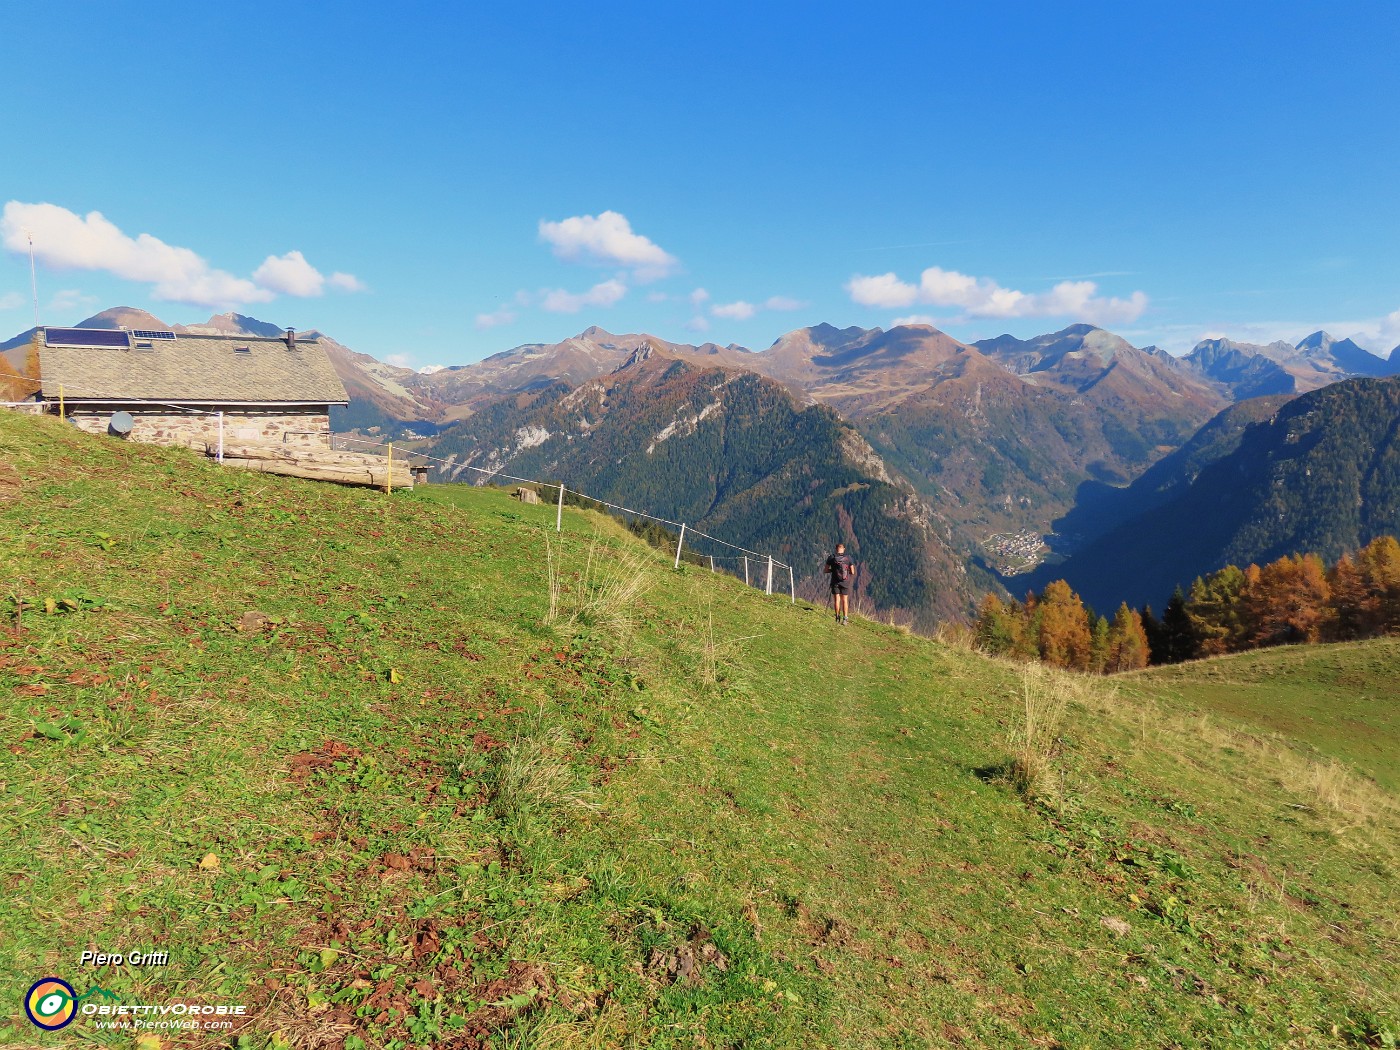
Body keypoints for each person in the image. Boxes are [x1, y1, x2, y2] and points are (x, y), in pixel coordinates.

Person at [824, 543, 856, 625]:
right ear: (844, 549)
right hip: (845, 582)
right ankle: (845, 618)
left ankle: (837, 616)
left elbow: (825, 570)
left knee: (836, 600)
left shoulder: (832, 557)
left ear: (836, 549)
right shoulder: (848, 558)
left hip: (835, 582)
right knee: (844, 600)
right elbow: (852, 572)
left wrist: (833, 570)